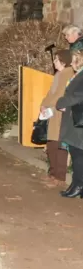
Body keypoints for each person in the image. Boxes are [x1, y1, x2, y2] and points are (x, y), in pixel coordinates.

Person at [41, 50, 74, 183]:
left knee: (60, 145)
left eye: (56, 59)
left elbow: (60, 94)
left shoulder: (68, 74)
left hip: (61, 113)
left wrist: (49, 106)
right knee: (51, 143)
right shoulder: (58, 75)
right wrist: (43, 105)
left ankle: (59, 176)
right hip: (52, 112)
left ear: (63, 61)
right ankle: (53, 172)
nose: (54, 62)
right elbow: (51, 92)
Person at [55, 49, 83, 198]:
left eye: (74, 60)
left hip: (78, 122)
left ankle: (78, 184)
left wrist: (61, 102)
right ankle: (76, 184)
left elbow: (79, 95)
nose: (71, 63)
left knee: (78, 155)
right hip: (75, 120)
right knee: (77, 152)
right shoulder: (78, 75)